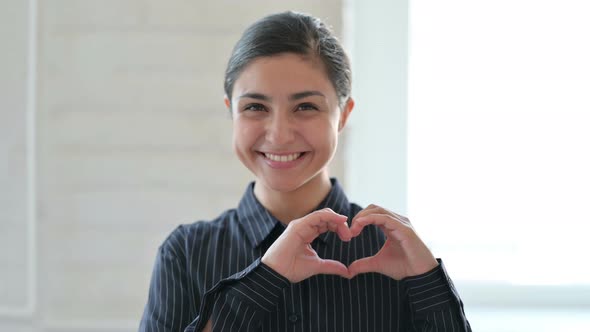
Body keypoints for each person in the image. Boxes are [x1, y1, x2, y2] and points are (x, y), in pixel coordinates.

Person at [139, 11, 471, 332]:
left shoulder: (394, 251)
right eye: (255, 107)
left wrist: (429, 282)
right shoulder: (185, 254)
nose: (279, 134)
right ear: (231, 112)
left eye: (306, 107)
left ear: (343, 115)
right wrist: (266, 277)